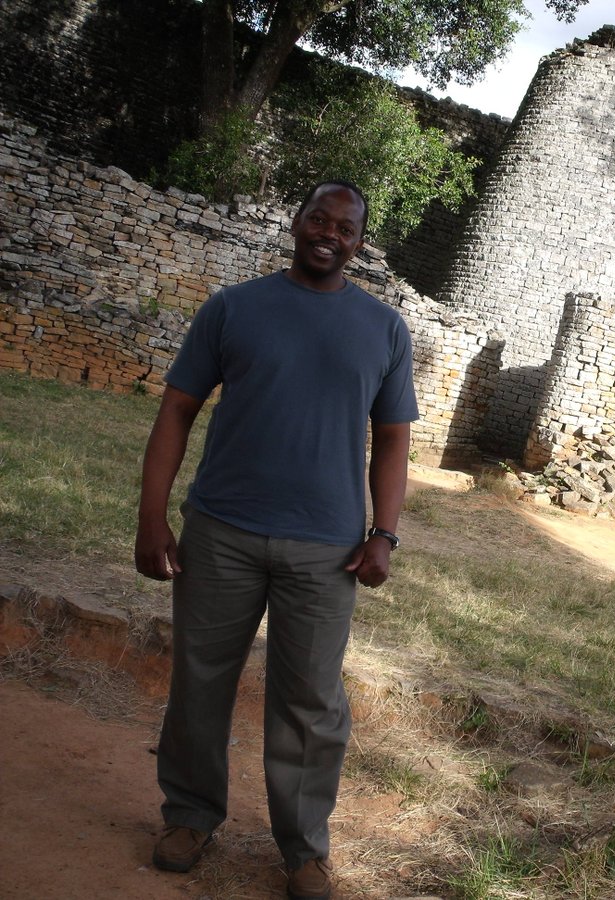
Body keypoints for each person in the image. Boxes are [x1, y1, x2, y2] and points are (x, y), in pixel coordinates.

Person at [134, 180, 419, 900]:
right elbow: (177, 410)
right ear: (297, 223)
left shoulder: (384, 329)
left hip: (327, 550)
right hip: (221, 532)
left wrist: (384, 533)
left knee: (311, 701)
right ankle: (189, 816)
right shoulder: (233, 308)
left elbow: (393, 440)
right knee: (200, 681)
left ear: (359, 242)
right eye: (318, 218)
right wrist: (151, 516)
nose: (329, 233)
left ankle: (303, 849)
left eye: (345, 227)